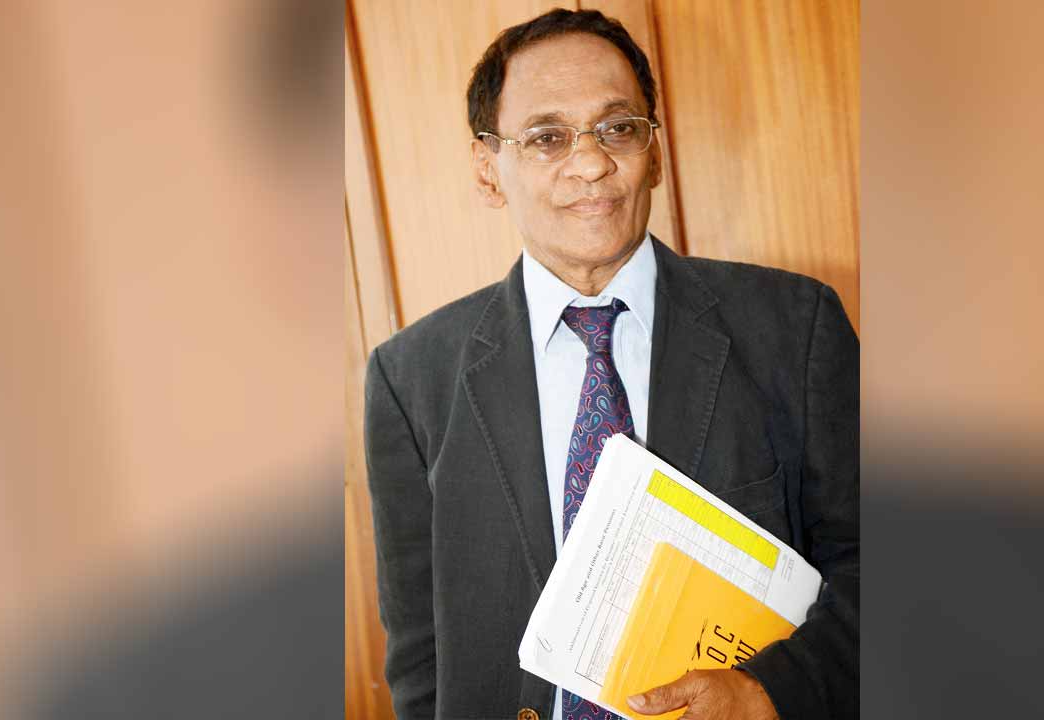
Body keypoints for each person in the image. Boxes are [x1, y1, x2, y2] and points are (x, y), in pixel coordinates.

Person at [364, 8, 858, 719]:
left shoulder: (795, 328)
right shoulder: (409, 380)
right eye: (547, 137)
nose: (592, 162)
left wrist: (766, 692)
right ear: (487, 169)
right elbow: (420, 655)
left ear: (653, 150)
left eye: (618, 127)